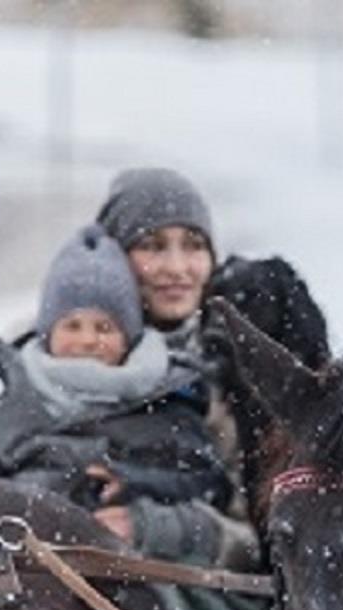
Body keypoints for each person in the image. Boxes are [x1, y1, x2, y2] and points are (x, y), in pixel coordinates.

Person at [0, 224, 236, 568]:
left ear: (129, 337)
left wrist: (134, 485)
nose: (88, 340)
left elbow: (203, 481)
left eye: (105, 327)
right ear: (48, 332)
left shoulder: (164, 404)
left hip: (131, 570)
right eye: (72, 326)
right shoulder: (14, 408)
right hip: (21, 570)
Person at [95, 166, 330, 529]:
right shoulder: (66, 353)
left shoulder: (238, 367)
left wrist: (158, 529)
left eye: (193, 245)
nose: (176, 268)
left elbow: (267, 533)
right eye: (152, 246)